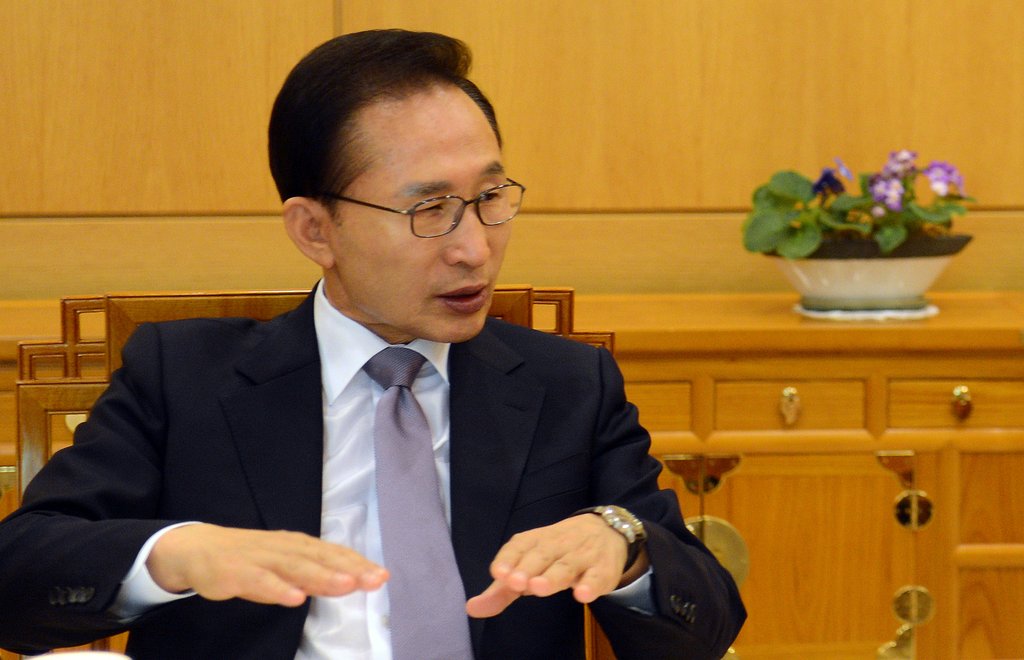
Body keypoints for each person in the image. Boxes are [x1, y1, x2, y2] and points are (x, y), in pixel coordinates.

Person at [0, 29, 745, 659]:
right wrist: (176, 554)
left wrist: (626, 549)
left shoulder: (568, 385)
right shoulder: (184, 378)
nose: (475, 249)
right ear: (315, 230)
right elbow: (18, 579)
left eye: (490, 198)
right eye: (430, 210)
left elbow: (707, 626)